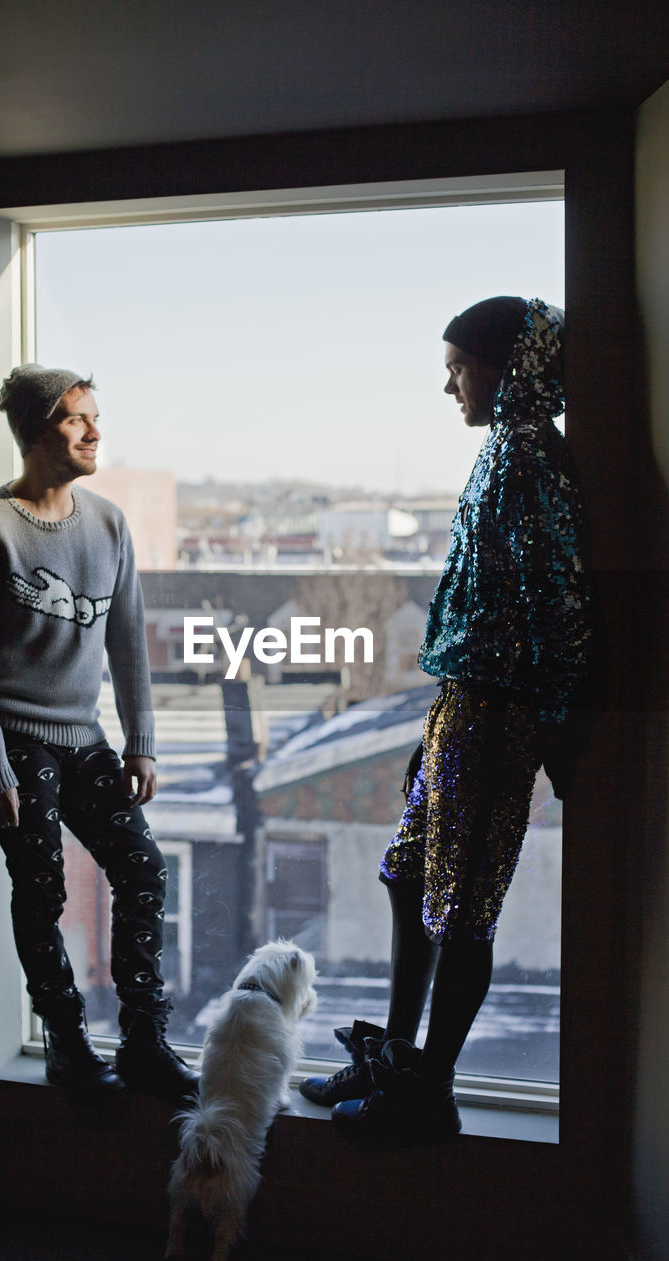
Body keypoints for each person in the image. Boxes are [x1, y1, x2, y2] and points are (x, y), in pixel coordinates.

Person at [300, 296, 594, 1142]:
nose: (446, 384)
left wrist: (555, 732)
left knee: (461, 911)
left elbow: (562, 605)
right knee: (403, 877)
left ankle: (428, 1089)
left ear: (505, 370)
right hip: (459, 708)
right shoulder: (504, 452)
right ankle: (395, 1052)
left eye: (458, 366)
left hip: (496, 716)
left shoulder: (530, 457)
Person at [0, 364, 197, 1106]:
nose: (94, 431)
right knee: (43, 887)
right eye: (77, 418)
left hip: (83, 737)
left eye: (95, 417)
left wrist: (140, 741)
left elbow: (126, 644)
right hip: (17, 743)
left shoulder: (108, 523)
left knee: (143, 870)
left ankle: (145, 1043)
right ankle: (67, 1040)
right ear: (36, 429)